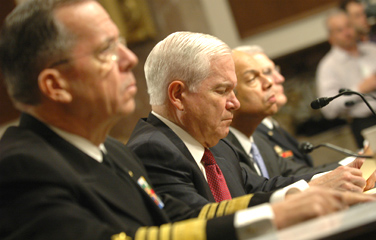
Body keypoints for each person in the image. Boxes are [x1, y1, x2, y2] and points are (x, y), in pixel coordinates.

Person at [2, 1, 372, 240]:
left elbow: (178, 221)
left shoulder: (114, 152)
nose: (129, 59)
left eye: (123, 45)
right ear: (55, 85)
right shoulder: (20, 168)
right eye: (106, 51)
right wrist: (274, 215)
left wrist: (298, 198)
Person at [127, 31, 375, 212]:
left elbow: (263, 188)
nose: (235, 103)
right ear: (178, 95)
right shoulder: (152, 149)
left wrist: (340, 175)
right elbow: (200, 219)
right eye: (222, 90)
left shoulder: (216, 145)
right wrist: (310, 191)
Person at [232, 45, 315, 168]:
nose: (278, 79)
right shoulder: (249, 132)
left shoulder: (268, 126)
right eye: (267, 72)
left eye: (275, 70)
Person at [316, 9, 376, 148]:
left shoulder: (372, 50)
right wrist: (359, 89)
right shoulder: (328, 66)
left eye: (348, 26)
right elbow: (328, 110)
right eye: (340, 30)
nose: (347, 32)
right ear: (331, 37)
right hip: (365, 123)